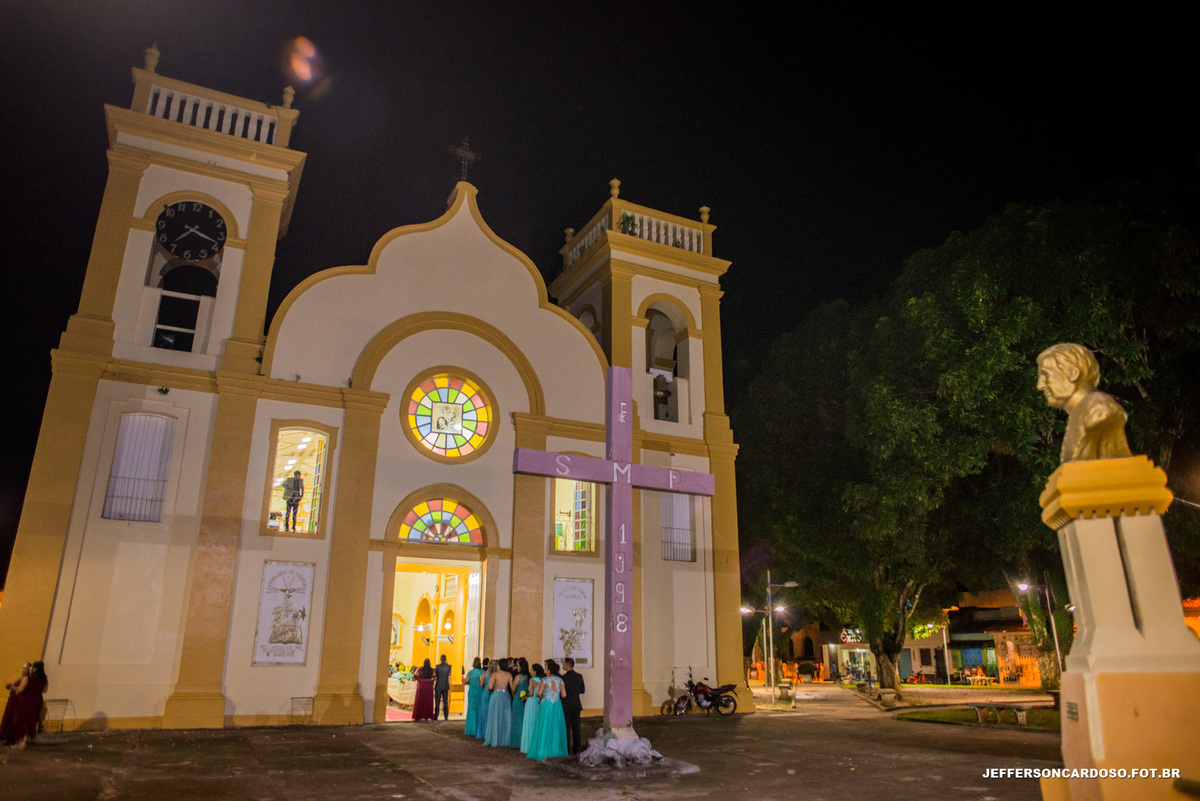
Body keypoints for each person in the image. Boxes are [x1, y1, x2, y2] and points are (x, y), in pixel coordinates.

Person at [1036, 343, 1132, 463]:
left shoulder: (1097, 408)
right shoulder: (1079, 413)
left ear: (1073, 373)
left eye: (1045, 375)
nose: (1040, 385)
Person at [527, 659, 567, 760]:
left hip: (546, 705)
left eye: (546, 667)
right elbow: (564, 694)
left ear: (549, 669)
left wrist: (543, 696)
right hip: (557, 705)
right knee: (556, 727)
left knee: (544, 726)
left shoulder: (544, 680)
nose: (545, 670)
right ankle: (556, 750)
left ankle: (543, 750)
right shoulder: (560, 680)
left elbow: (539, 693)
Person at [1, 661, 48, 748]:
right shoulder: (44, 680)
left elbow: (20, 689)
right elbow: (44, 690)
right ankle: (24, 741)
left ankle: (17, 740)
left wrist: (11, 686)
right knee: (30, 721)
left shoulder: (28, 678)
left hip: (27, 701)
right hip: (37, 701)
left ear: (35, 669)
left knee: (20, 721)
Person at [483, 658, 513, 747]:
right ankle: (505, 739)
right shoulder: (509, 675)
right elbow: (512, 688)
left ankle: (494, 738)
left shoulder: (495, 675)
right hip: (506, 695)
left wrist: (493, 688)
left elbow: (490, 687)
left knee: (495, 716)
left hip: (496, 695)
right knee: (505, 717)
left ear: (499, 666)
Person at [561, 656, 585, 755]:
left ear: (567, 665)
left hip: (566, 704)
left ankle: (566, 748)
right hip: (576, 704)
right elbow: (582, 690)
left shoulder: (563, 678)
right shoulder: (579, 676)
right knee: (576, 728)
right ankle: (577, 747)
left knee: (566, 728)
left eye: (563, 663)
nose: (562, 665)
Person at [520, 663, 544, 755]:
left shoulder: (532, 680)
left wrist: (525, 697)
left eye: (531, 669)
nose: (530, 671)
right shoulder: (542, 680)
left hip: (531, 702)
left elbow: (531, 693)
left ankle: (528, 745)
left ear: (534, 671)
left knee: (529, 722)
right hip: (538, 702)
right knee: (536, 722)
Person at [1, 663, 30, 738]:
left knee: (14, 719)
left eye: (25, 668)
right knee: (9, 717)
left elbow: (20, 689)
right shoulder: (22, 678)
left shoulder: (26, 679)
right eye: (23, 668)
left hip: (18, 702)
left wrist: (11, 686)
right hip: (13, 701)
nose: (23, 670)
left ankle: (11, 736)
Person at [510, 657, 530, 748]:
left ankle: (517, 741)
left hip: (518, 699)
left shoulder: (518, 677)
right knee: (525, 719)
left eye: (518, 665)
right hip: (527, 699)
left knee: (517, 720)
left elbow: (513, 689)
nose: (517, 667)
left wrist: (514, 696)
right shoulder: (529, 676)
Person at [463, 657, 484, 736]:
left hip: (472, 691)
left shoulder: (470, 672)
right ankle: (478, 728)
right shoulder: (481, 672)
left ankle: (471, 728)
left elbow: (465, 681)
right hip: (479, 691)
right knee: (479, 708)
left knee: (471, 708)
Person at [475, 661, 493, 739]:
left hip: (485, 692)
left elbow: (481, 684)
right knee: (490, 712)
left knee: (484, 712)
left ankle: (483, 732)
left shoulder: (484, 673)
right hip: (492, 693)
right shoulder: (495, 674)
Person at [433, 654, 452, 720]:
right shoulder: (449, 666)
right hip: (445, 684)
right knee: (445, 701)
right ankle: (446, 715)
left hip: (438, 684)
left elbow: (435, 675)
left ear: (440, 659)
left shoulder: (437, 666)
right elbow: (449, 674)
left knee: (437, 701)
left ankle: (436, 715)